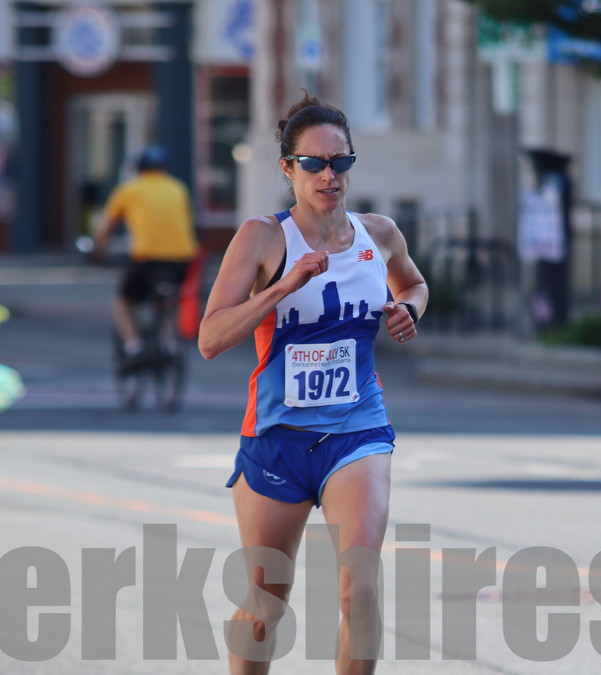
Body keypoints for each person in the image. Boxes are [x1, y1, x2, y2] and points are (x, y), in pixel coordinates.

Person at [198, 93, 427, 673]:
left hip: (357, 430)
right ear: (288, 168)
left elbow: (413, 284)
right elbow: (211, 339)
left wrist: (408, 310)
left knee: (360, 590)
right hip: (277, 436)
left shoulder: (380, 234)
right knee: (265, 605)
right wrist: (281, 286)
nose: (329, 176)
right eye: (314, 164)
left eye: (340, 162)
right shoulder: (261, 238)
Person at [93, 145, 198, 363]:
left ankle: (134, 346)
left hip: (146, 257)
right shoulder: (178, 188)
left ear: (138, 168)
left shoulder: (130, 190)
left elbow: (107, 226)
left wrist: (98, 252)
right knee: (168, 300)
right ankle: (170, 344)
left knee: (124, 302)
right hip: (181, 258)